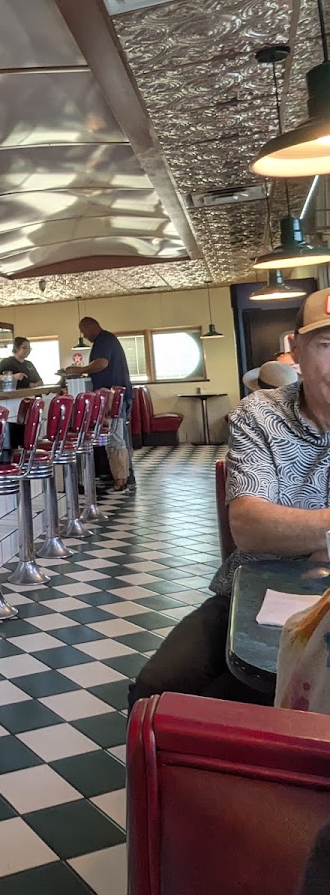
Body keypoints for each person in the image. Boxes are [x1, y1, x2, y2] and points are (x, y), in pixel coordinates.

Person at [128, 288, 330, 710]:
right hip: (252, 593)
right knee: (156, 692)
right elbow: (251, 527)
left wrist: (302, 529)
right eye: (327, 345)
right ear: (295, 350)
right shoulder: (261, 415)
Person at [61, 317, 134, 494]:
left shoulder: (104, 339)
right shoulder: (107, 339)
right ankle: (121, 476)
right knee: (118, 438)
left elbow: (102, 363)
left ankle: (122, 480)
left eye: (84, 332)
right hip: (117, 395)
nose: (84, 336)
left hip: (112, 397)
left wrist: (79, 370)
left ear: (92, 327)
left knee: (116, 438)